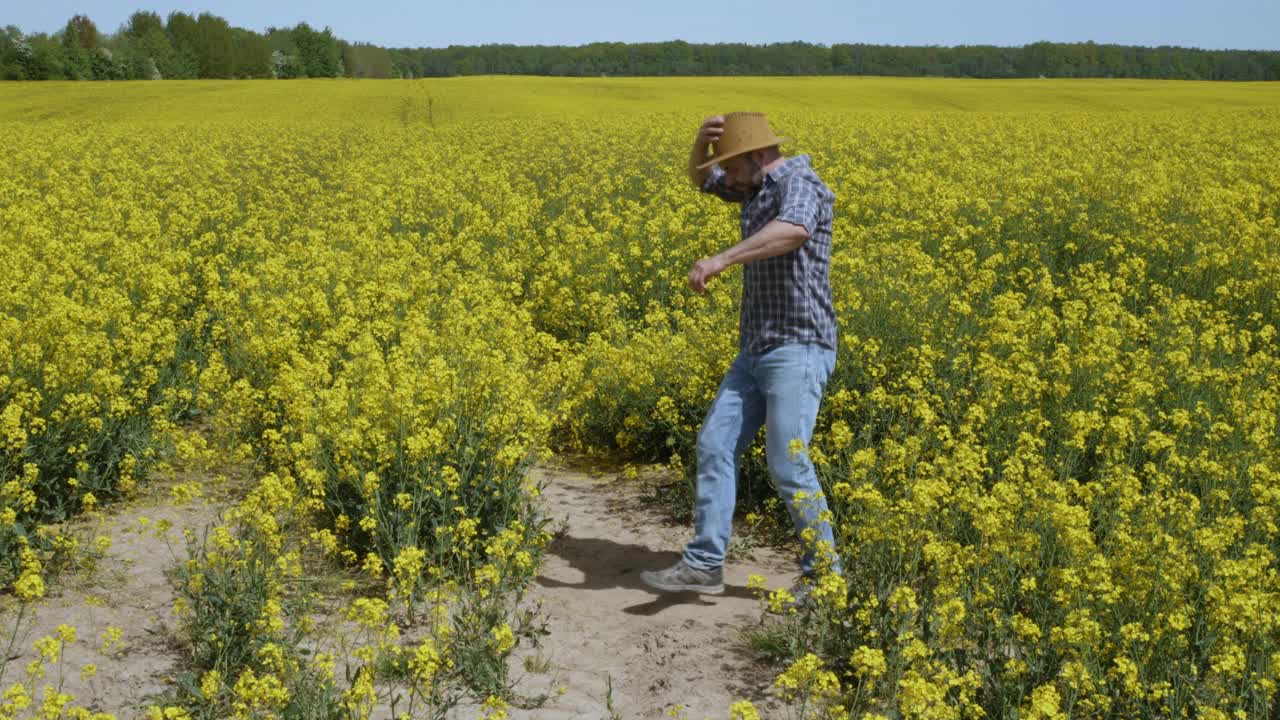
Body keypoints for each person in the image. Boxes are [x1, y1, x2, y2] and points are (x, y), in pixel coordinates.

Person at [639, 111, 842, 610]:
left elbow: (793, 230)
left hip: (799, 346)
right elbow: (702, 180)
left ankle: (825, 579)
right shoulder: (752, 187)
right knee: (714, 444)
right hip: (755, 349)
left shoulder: (800, 182)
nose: (724, 177)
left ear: (756, 156)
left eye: (730, 165)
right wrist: (699, 145)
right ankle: (705, 564)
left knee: (789, 462)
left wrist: (721, 259)